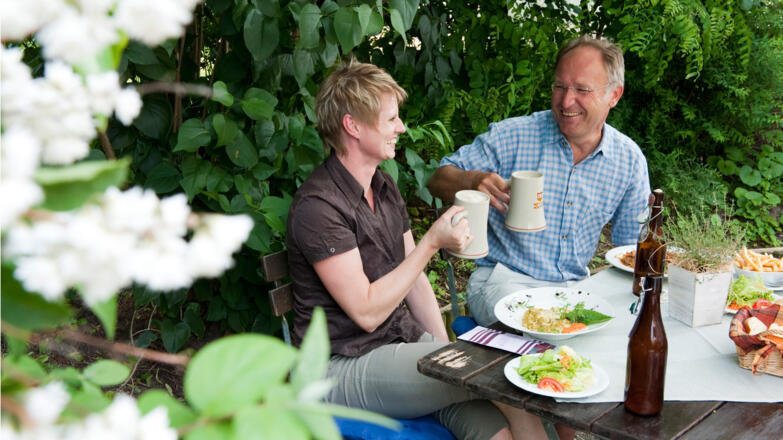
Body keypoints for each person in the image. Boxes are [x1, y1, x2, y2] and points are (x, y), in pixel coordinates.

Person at [286, 59, 573, 440]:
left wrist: (445, 351)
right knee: (501, 375)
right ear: (353, 126)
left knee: (499, 419)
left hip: (398, 345)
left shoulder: (383, 187)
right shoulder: (319, 208)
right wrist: (432, 243)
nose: (401, 128)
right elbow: (366, 313)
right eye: (391, 119)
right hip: (341, 366)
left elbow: (417, 283)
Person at [428, 35, 651, 326]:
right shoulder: (514, 136)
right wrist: (472, 181)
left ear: (614, 95)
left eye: (582, 89)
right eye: (559, 86)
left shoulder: (628, 161)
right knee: (539, 328)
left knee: (617, 329)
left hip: (574, 290)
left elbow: (631, 254)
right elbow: (438, 179)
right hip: (503, 282)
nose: (566, 101)